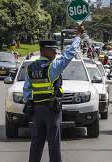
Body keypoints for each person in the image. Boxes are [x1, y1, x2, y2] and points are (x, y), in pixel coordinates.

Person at [23, 25, 84, 162]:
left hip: (37, 110)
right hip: (52, 110)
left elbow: (27, 90)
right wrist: (78, 37)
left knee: (36, 143)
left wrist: (30, 103)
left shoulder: (30, 68)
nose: (56, 53)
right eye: (53, 50)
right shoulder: (52, 67)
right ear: (44, 51)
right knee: (54, 144)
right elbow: (69, 54)